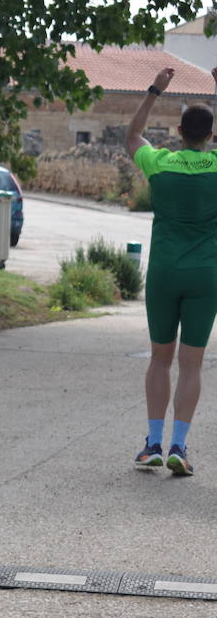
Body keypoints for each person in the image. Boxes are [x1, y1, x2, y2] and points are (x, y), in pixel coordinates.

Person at [127, 66, 217, 476]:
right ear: (210, 136)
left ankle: (152, 444)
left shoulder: (159, 162)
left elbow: (132, 137)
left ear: (179, 130)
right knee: (192, 364)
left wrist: (153, 91)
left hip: (164, 271)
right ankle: (180, 445)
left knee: (160, 360)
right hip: (206, 274)